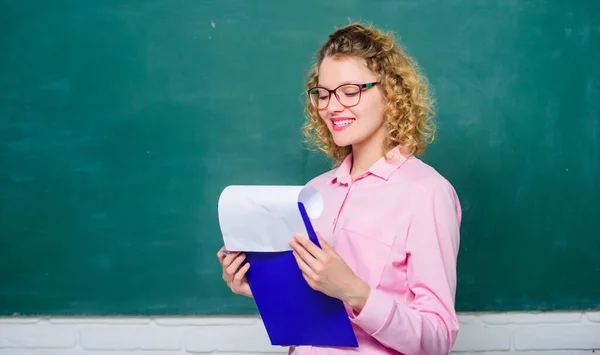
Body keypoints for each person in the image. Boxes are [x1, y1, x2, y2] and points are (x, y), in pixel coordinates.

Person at [217, 22, 462, 355]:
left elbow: (438, 338)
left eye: (350, 92)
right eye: (323, 93)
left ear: (391, 93)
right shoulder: (316, 192)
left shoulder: (427, 192)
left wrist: (356, 292)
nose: (332, 107)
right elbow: (314, 313)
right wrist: (259, 285)